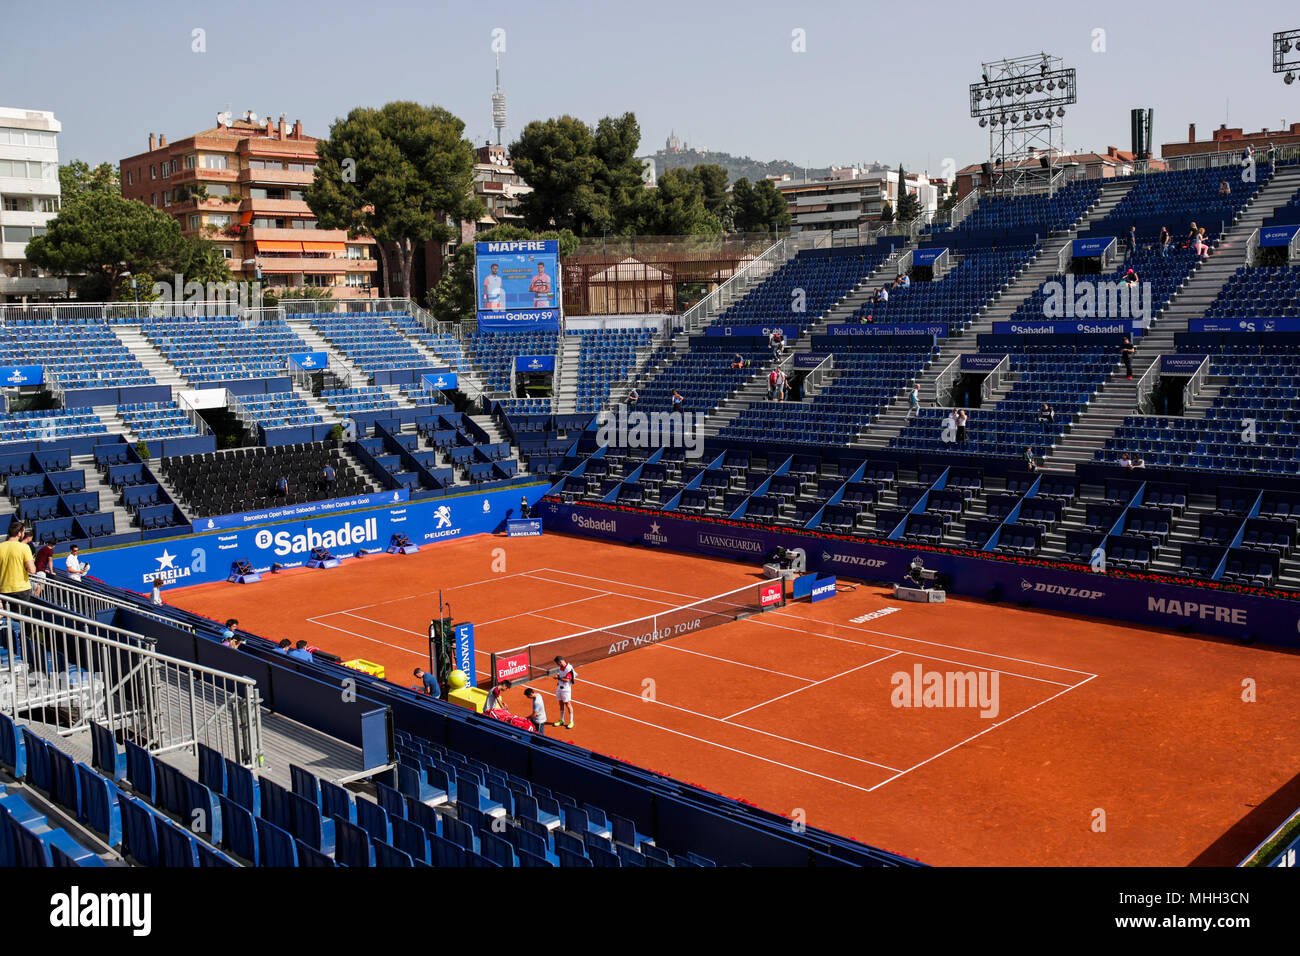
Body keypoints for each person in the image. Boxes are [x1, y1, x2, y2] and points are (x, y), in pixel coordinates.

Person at [0, 520, 36, 604]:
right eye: (23, 532)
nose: (24, 534)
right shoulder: (24, 547)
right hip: (21, 589)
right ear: (19, 533)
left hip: (4, 588)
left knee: (9, 615)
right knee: (21, 616)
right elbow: (32, 570)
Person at [552, 655, 576, 729]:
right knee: (561, 704)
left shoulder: (568, 668)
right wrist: (558, 675)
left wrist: (558, 678)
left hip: (566, 689)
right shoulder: (561, 667)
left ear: (560, 662)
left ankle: (571, 721)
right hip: (560, 688)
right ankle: (562, 720)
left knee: (568, 704)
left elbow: (567, 680)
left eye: (557, 663)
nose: (557, 665)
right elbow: (562, 674)